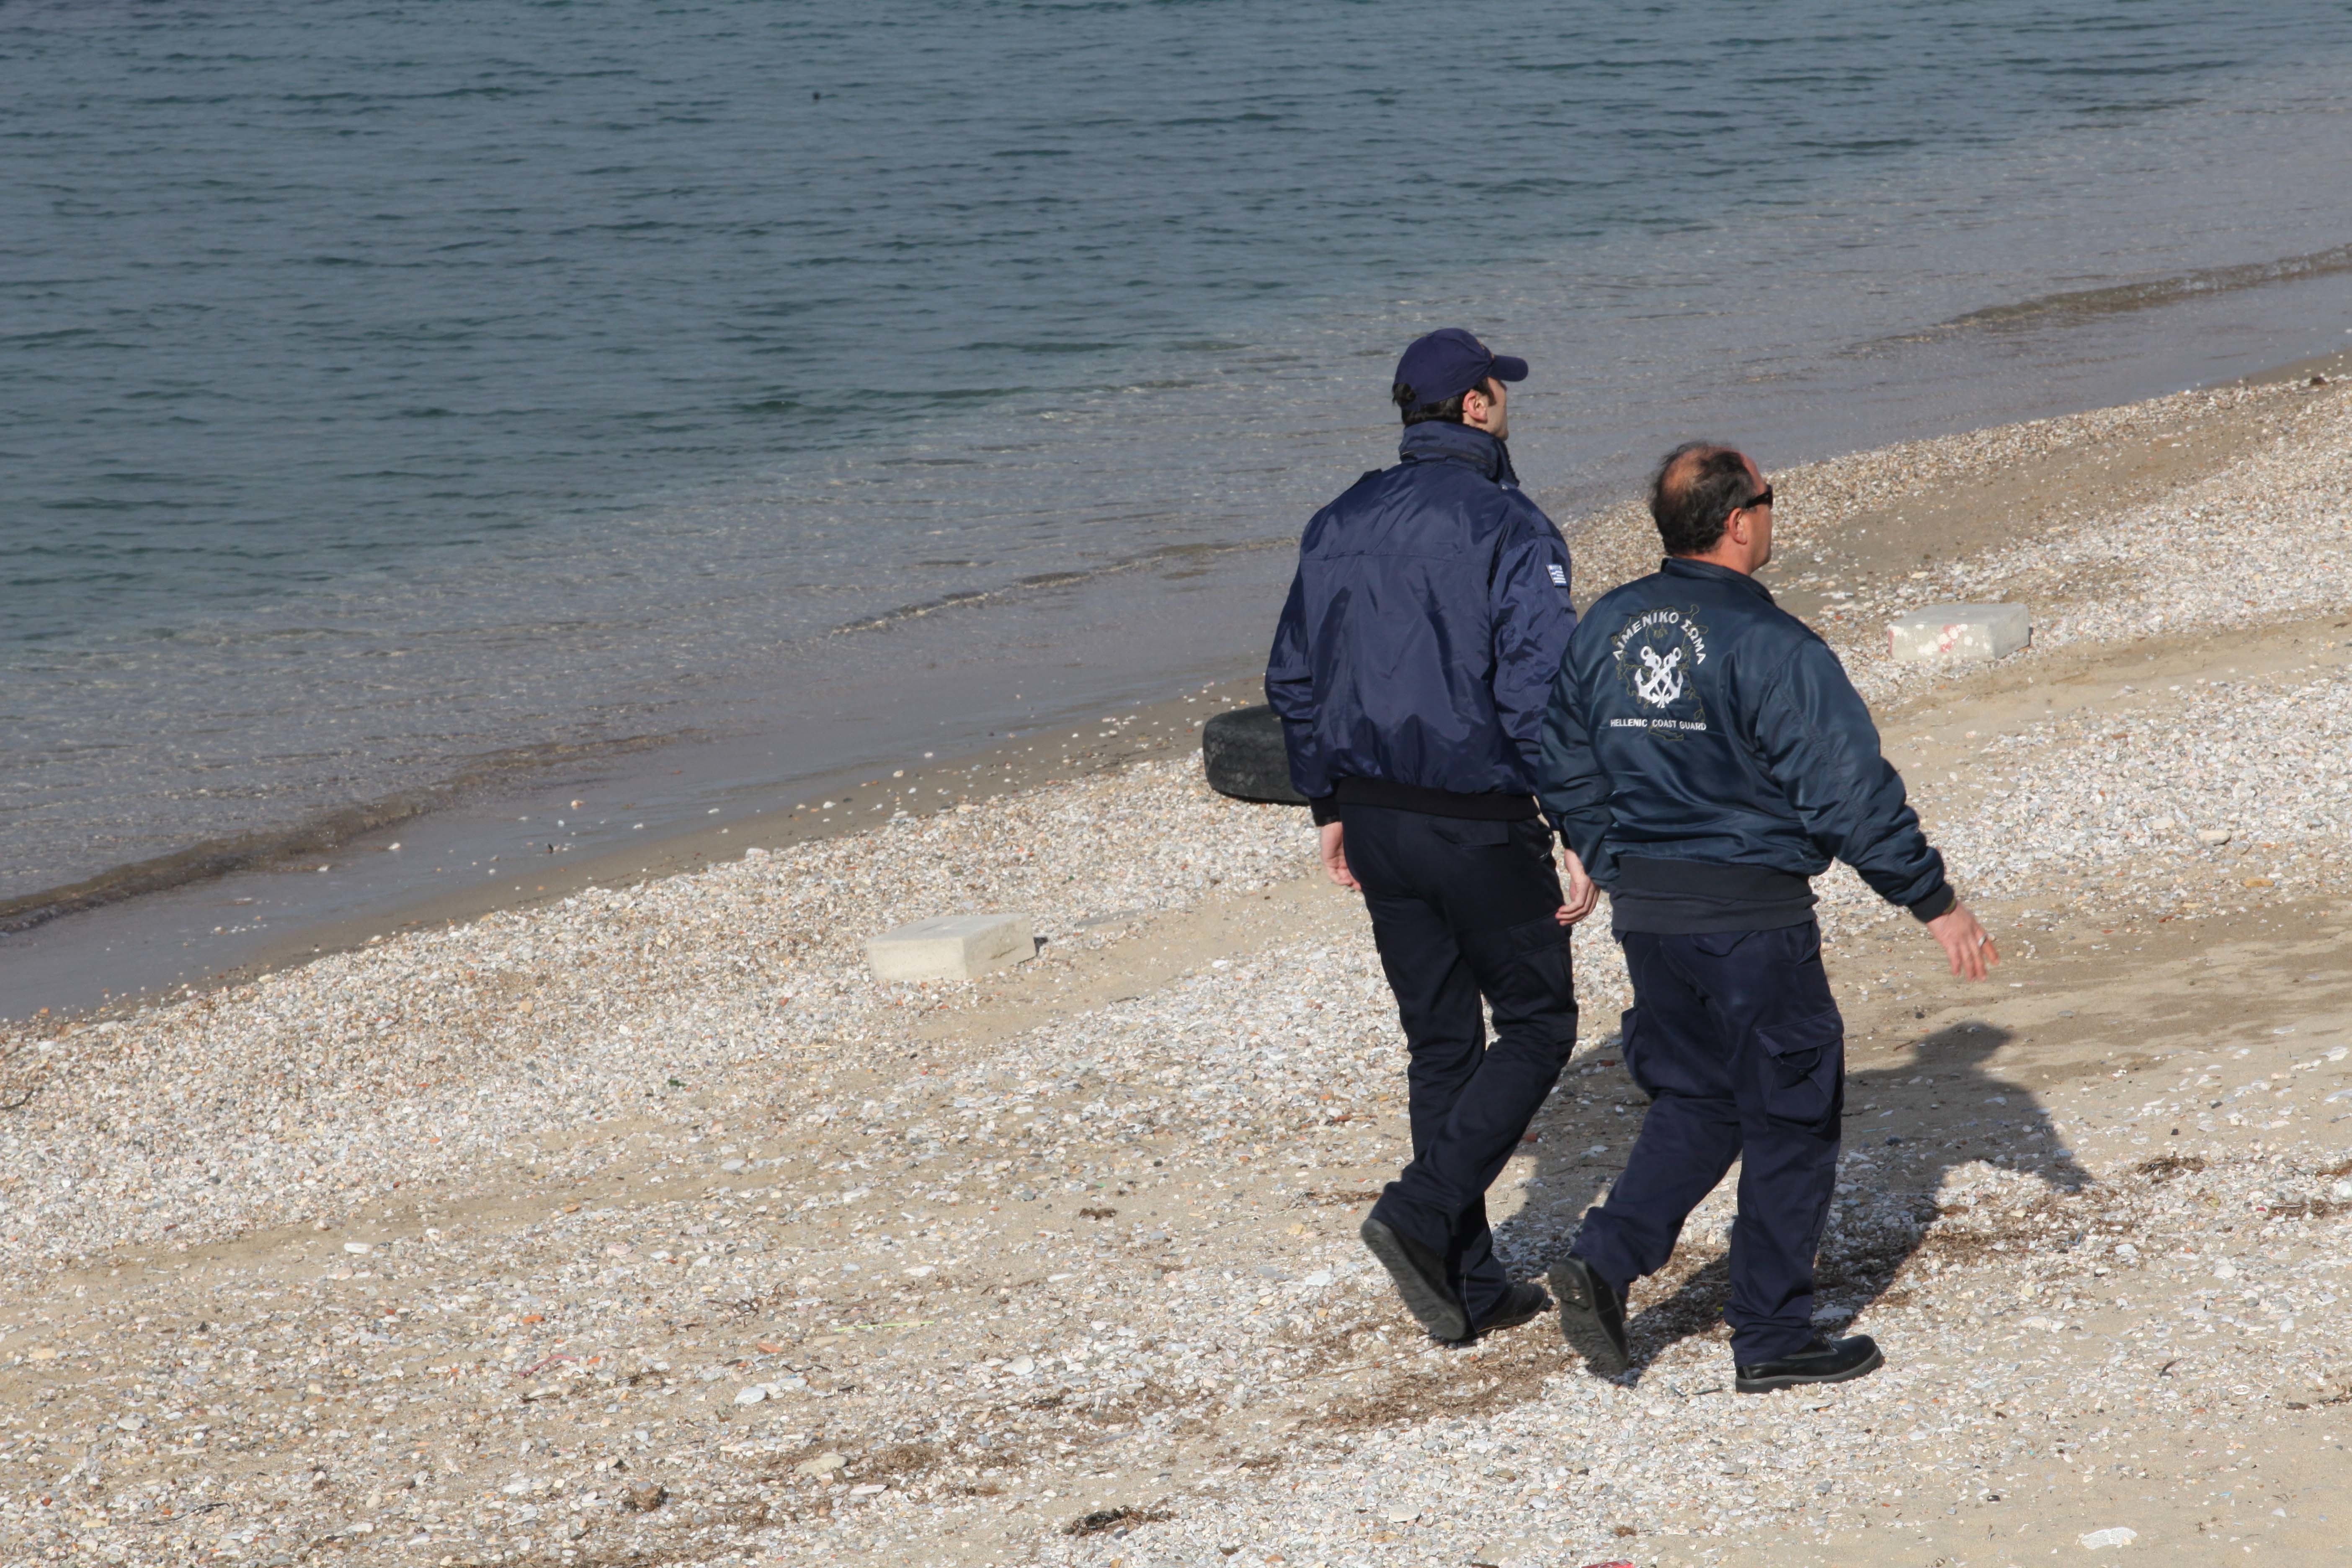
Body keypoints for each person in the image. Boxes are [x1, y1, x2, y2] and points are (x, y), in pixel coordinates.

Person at [1536, 442, 1997, 1393]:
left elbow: (1560, 755)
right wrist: (1934, 902)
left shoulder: (1610, 621)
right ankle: (1773, 1335)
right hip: (1743, 917)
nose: (1772, 512)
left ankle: (1604, 1261)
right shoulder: (1773, 644)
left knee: (1701, 1096)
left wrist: (1614, 859)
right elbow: (1848, 793)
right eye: (1767, 498)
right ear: (1739, 521)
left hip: (1655, 918)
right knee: (1792, 1112)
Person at [1266, 327, 1597, 1345]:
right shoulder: (1510, 523)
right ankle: (1420, 1211)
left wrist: (1329, 804)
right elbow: (1542, 691)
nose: (1508, 403)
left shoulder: (1338, 518)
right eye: (1501, 388)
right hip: (1475, 822)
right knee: (1538, 1025)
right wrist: (1579, 820)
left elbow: (1294, 679)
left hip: (1376, 816)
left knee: (1442, 1042)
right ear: (1476, 407)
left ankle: (1466, 1285)